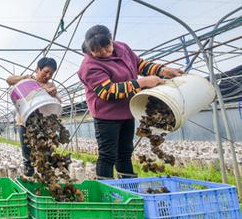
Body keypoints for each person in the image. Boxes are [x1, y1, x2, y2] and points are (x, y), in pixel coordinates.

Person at [77, 25, 183, 179]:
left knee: (125, 151)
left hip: (127, 110)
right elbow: (108, 91)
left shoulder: (122, 48)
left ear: (111, 40)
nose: (105, 54)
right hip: (106, 115)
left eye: (107, 48)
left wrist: (163, 70)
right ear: (90, 49)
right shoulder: (89, 66)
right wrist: (142, 83)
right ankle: (106, 190)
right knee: (108, 154)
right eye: (98, 52)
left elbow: (138, 64)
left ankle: (128, 186)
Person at [6, 57, 60, 176]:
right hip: (24, 121)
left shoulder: (50, 85)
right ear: (37, 69)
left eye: (51, 73)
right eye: (46, 72)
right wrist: (24, 77)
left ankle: (45, 178)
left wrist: (55, 94)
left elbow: (58, 103)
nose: (48, 75)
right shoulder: (27, 81)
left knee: (44, 155)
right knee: (27, 155)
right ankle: (29, 176)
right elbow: (9, 80)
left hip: (43, 123)